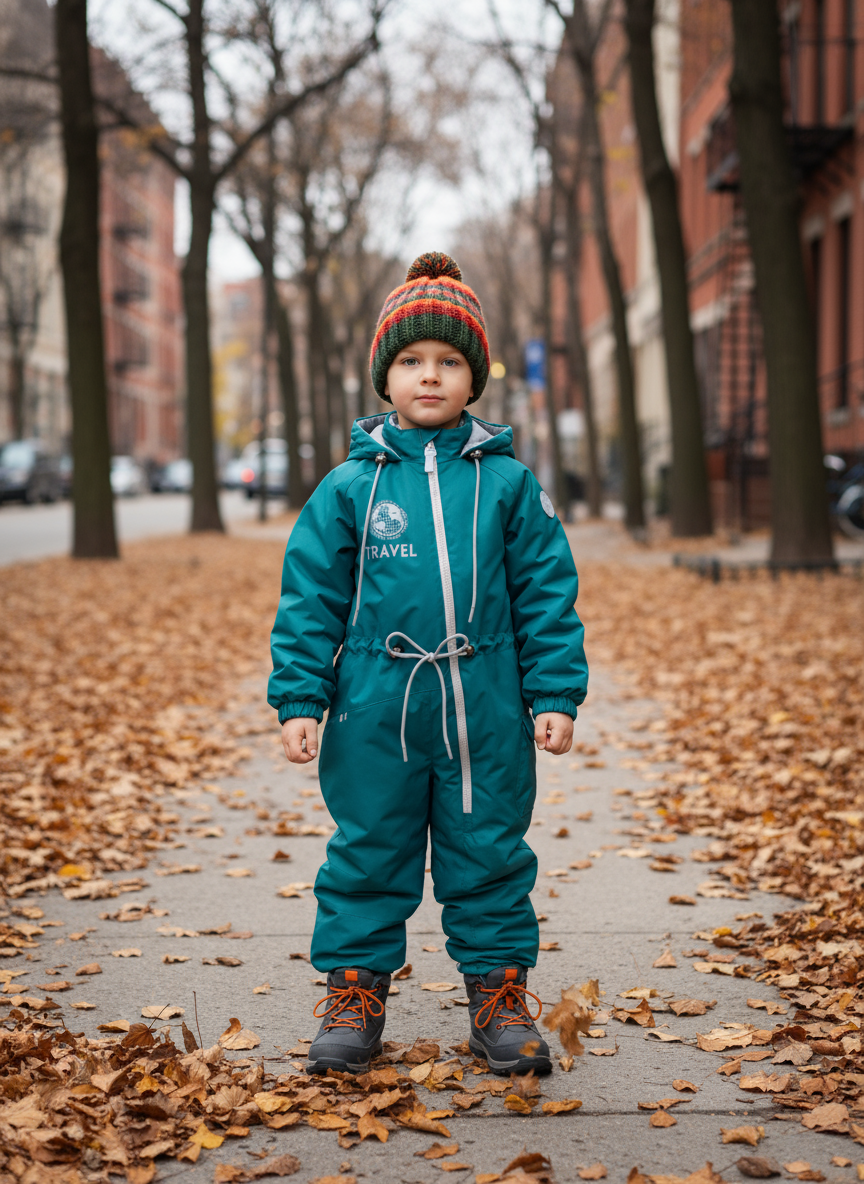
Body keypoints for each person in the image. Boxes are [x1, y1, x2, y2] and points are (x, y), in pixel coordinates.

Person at [268, 251, 588, 1077]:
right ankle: (354, 993)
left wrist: (554, 689)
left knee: (487, 849)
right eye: (411, 361)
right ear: (386, 377)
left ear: (473, 377)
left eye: (449, 362)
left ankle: (499, 996)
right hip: (378, 697)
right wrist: (302, 697)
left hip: (484, 693)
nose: (430, 376)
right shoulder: (349, 487)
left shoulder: (510, 484)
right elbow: (310, 598)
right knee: (370, 846)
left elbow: (548, 594)